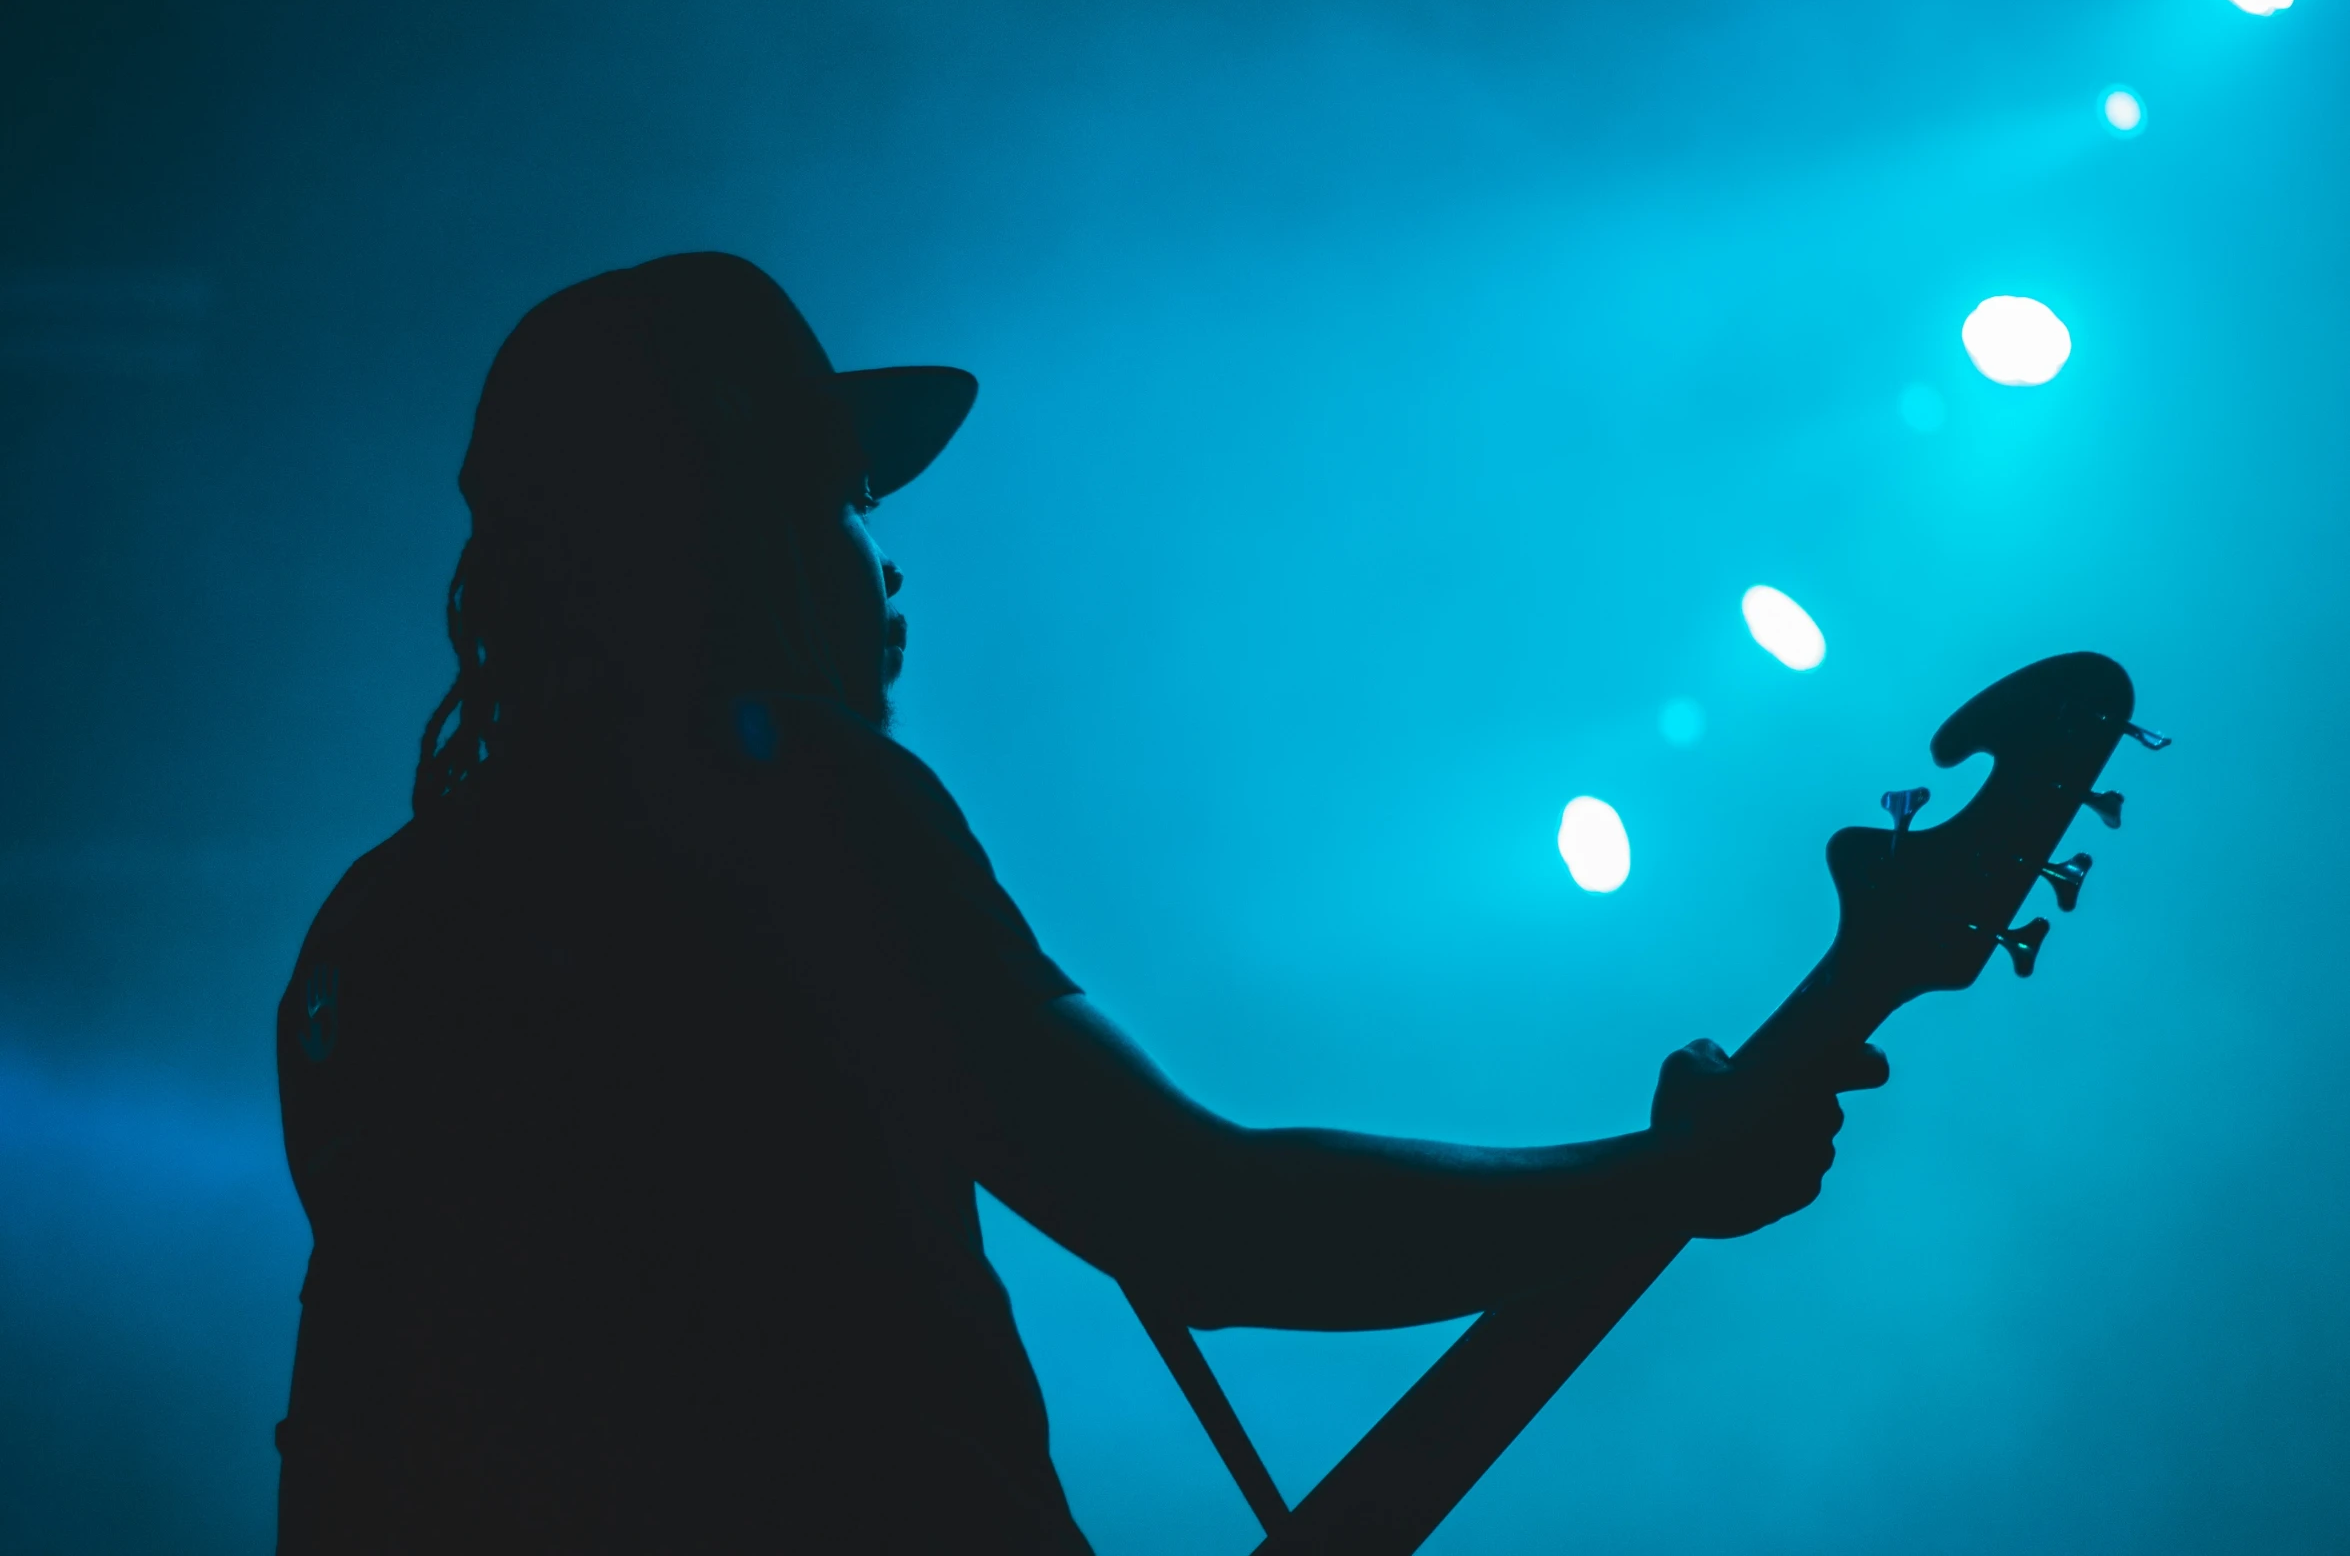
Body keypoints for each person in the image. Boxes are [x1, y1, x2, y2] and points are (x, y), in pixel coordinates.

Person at [272, 251, 1888, 1553]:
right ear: (737, 527)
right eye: (850, 508)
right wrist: (1669, 1174)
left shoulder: (369, 938)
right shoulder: (785, 800)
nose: (888, 575)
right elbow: (1202, 1221)